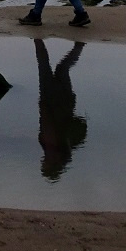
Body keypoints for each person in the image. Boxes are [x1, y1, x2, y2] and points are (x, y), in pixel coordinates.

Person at [34, 38, 88, 179]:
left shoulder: (64, 146)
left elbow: (46, 123)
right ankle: (37, 40)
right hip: (52, 101)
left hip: (65, 102)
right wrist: (42, 105)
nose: (43, 161)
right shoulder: (52, 145)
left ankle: (79, 47)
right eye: (45, 164)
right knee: (47, 66)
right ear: (53, 163)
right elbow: (46, 121)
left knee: (61, 69)